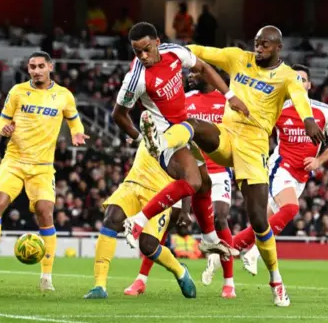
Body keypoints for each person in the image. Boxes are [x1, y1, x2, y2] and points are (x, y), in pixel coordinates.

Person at [139, 26, 325, 307]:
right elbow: (201, 52)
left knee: (260, 222)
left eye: (265, 45)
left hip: (253, 148)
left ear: (278, 48)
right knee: (195, 127)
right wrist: (166, 48)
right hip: (227, 136)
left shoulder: (287, 76)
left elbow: (299, 96)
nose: (259, 49)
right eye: (256, 43)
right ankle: (160, 142)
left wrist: (308, 119)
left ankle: (276, 281)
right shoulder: (239, 58)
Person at [112, 22, 246, 258]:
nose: (143, 56)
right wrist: (138, 138)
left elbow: (203, 68)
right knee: (193, 181)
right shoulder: (136, 79)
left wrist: (230, 95)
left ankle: (208, 239)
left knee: (204, 183)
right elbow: (118, 114)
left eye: (147, 49)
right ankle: (138, 221)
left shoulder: (174, 52)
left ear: (157, 43)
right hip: (164, 137)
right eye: (137, 52)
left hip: (184, 130)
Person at [0, 51, 89, 292]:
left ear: (50, 67)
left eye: (40, 66)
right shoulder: (17, 92)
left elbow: (74, 119)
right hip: (14, 161)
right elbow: (1, 120)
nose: (36, 70)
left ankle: (46, 277)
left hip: (42, 168)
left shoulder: (64, 96)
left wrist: (76, 132)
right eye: (31, 67)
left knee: (45, 212)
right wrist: (3, 128)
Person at [124, 71, 238, 298]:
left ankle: (228, 283)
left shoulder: (226, 102)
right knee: (171, 219)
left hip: (217, 169)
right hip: (186, 163)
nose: (191, 75)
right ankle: (141, 279)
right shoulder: (187, 98)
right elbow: (169, 122)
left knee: (221, 217)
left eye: (196, 72)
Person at [233, 64, 328, 275]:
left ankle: (225, 251)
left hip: (301, 176)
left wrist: (319, 161)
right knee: (291, 209)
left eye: (303, 79)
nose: (299, 82)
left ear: (310, 84)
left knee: (263, 220)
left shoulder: (324, 111)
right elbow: (256, 127)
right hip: (281, 167)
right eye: (295, 79)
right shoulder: (279, 107)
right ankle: (254, 252)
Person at [82, 135, 196, 299]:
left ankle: (179, 270)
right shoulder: (151, 122)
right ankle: (100, 286)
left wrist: (185, 210)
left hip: (159, 194)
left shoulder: (180, 137)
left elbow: (187, 178)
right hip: (132, 184)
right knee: (111, 220)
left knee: (148, 246)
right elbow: (124, 119)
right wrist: (135, 136)